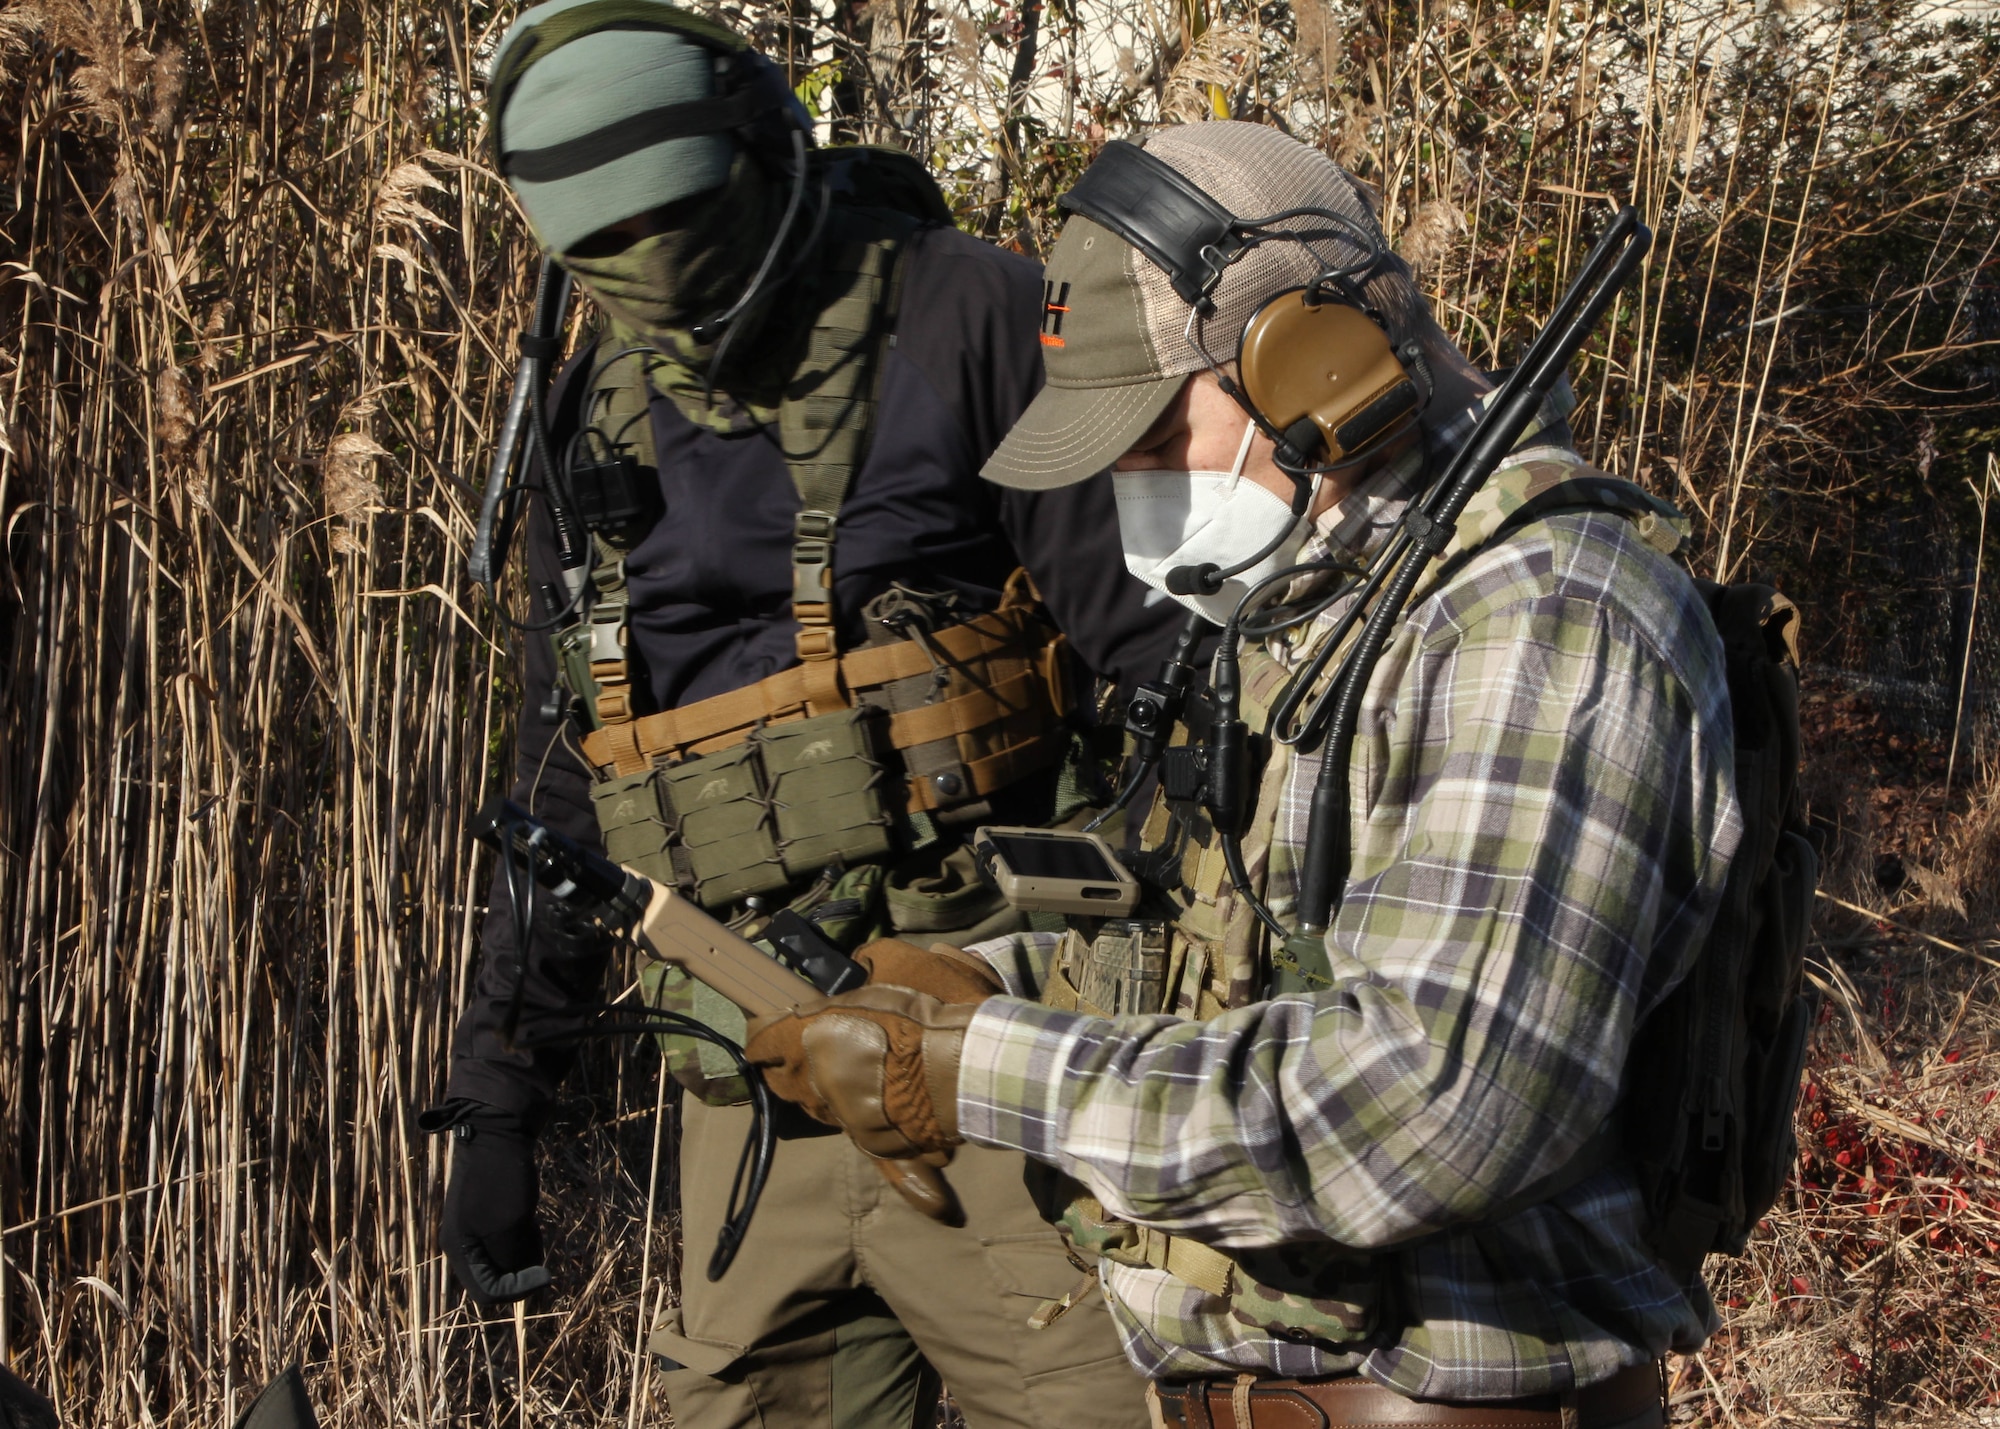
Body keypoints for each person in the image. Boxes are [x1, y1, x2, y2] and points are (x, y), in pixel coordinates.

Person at [745, 120, 1744, 1429]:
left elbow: (1429, 1108)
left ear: (1313, 365)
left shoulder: (1546, 622)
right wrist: (997, 979)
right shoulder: (1318, 615)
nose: (1133, 487)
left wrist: (980, 1064)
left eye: (1158, 434)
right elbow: (1249, 969)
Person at [425, 5, 1181, 1428]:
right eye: (604, 252)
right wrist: (498, 1087)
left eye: (680, 222)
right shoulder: (591, 415)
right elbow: (568, 769)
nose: (655, 277)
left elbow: (1174, 691)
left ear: (764, 152)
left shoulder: (973, 318)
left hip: (999, 1077)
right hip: (750, 1100)